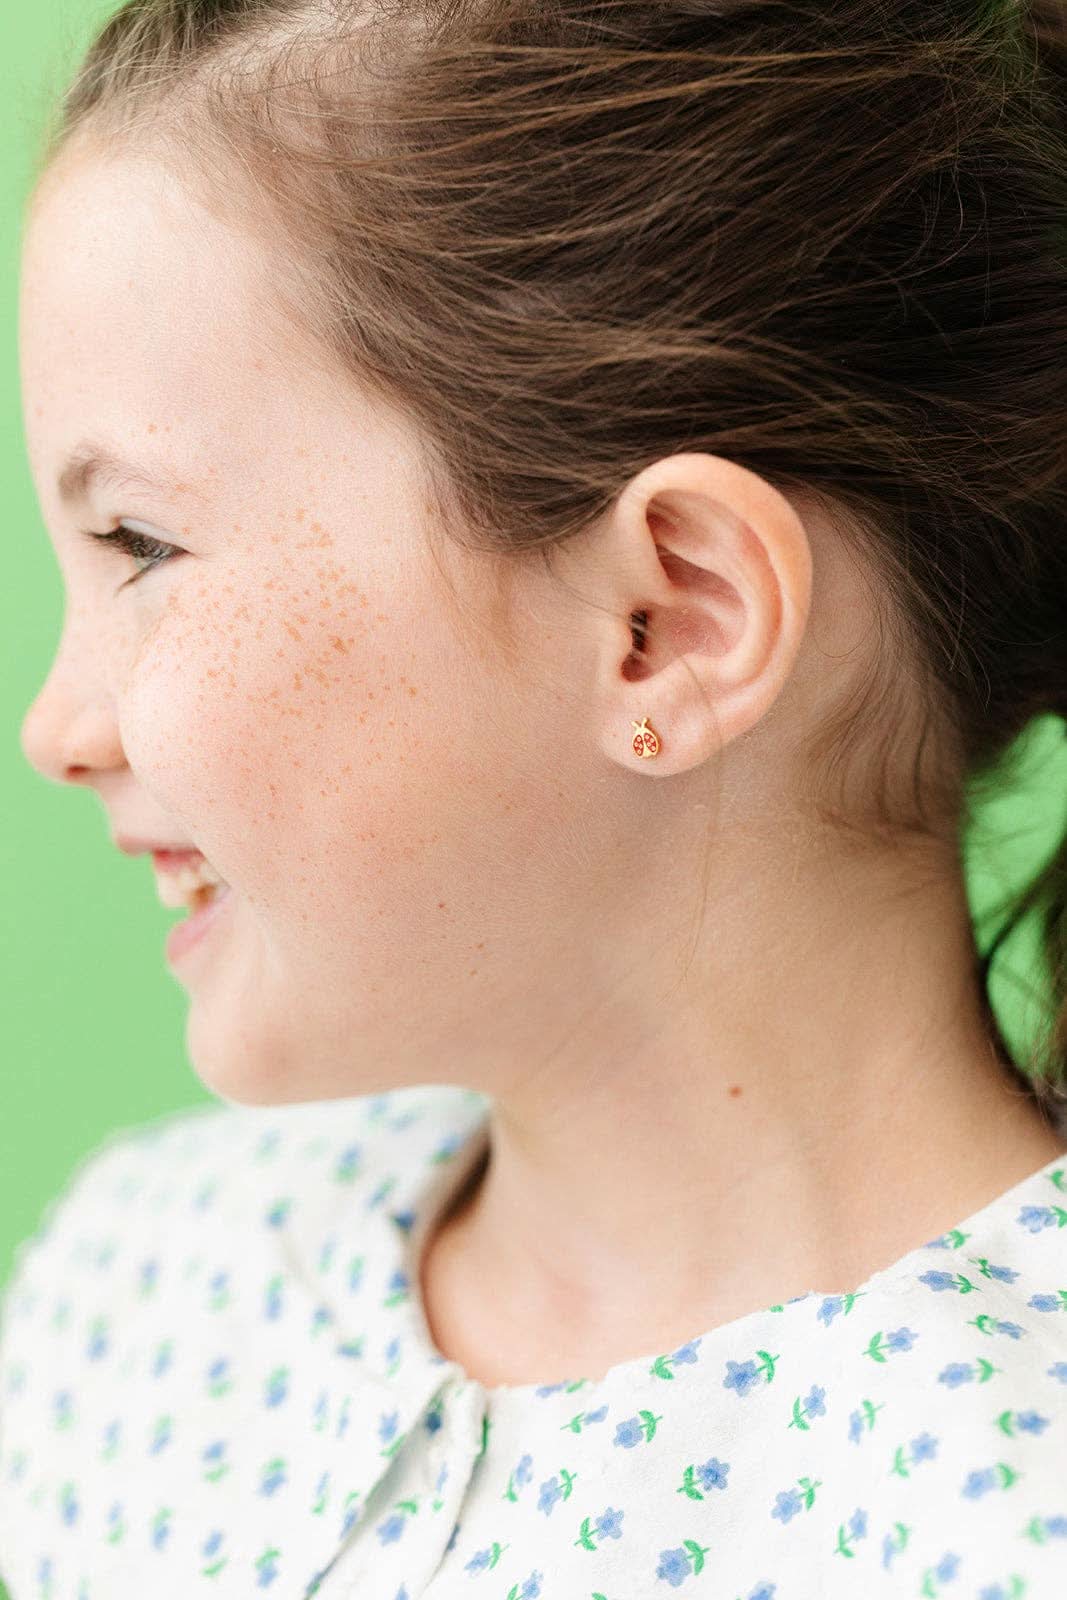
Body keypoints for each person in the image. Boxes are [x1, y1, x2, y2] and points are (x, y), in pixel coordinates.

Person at [3, 0, 1067, 1594]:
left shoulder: (1008, 1507)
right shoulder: (143, 1296)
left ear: (668, 623)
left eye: (143, 548)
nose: (55, 730)